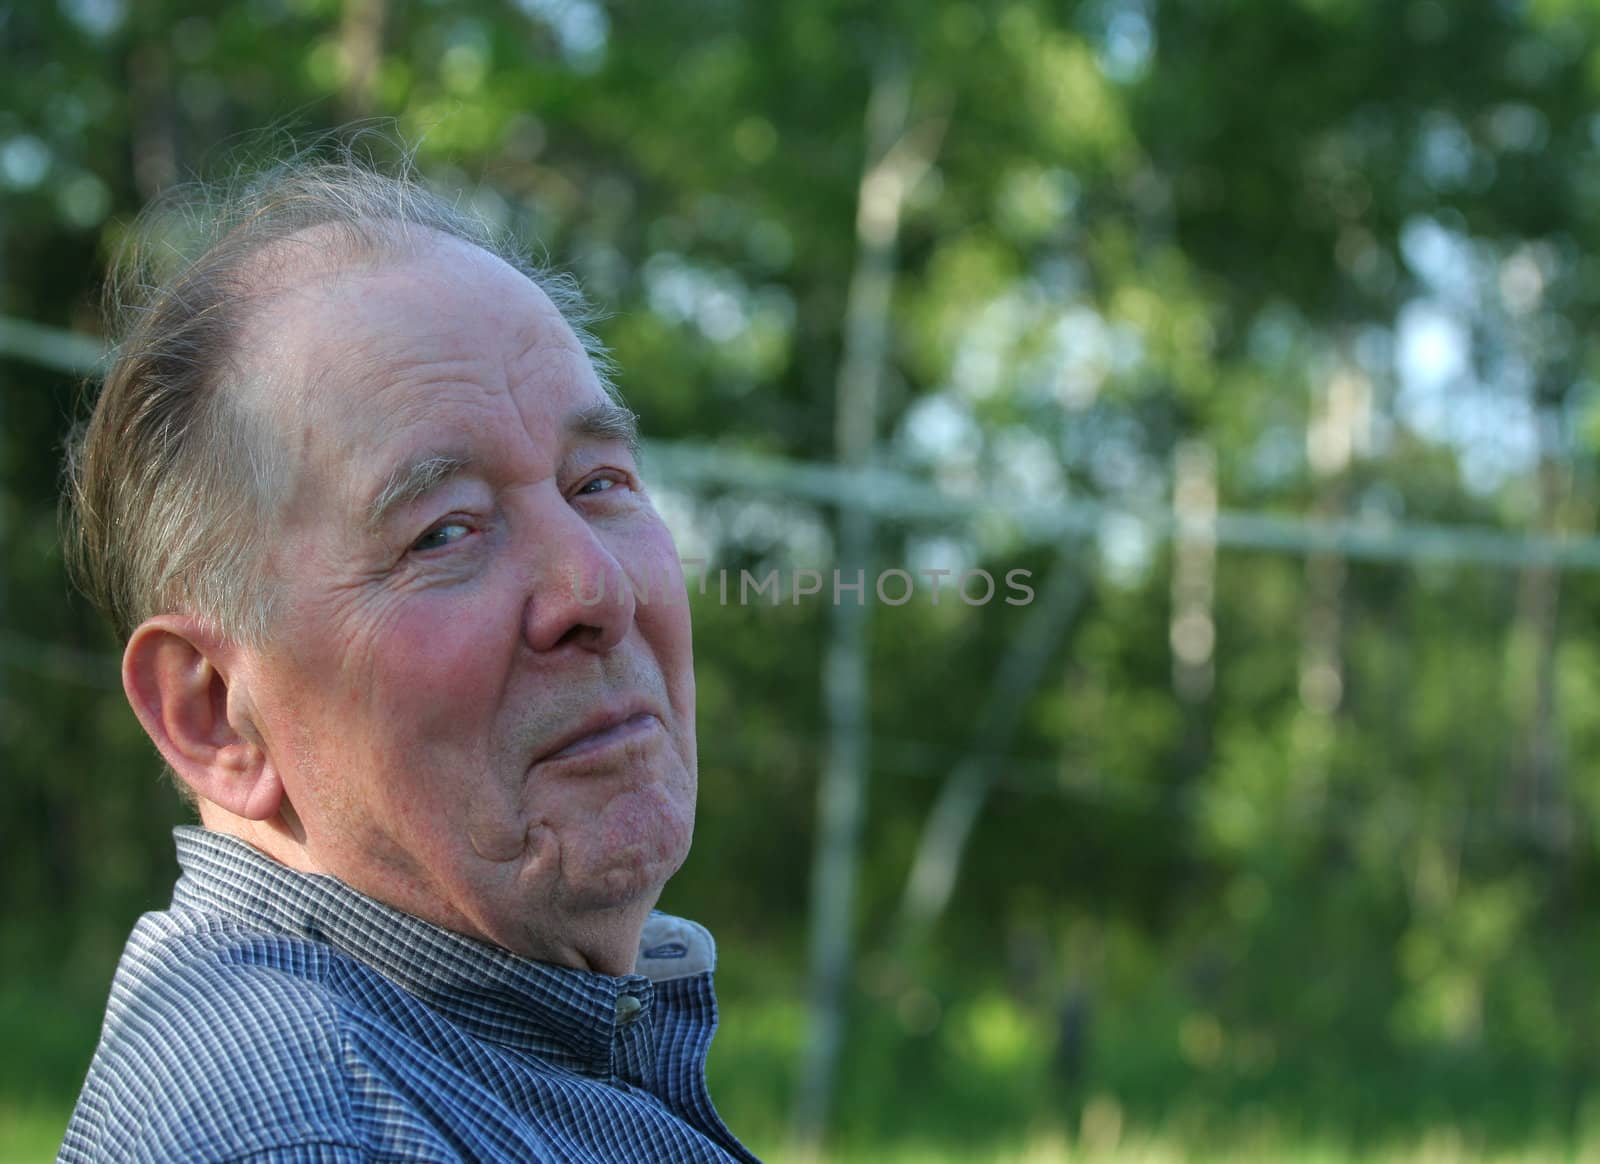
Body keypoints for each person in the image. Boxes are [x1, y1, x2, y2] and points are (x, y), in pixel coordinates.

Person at [57, 144, 759, 1164]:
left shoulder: (456, 1055)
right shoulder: (304, 1128)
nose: (595, 591)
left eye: (598, 481)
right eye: (443, 532)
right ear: (214, 715)